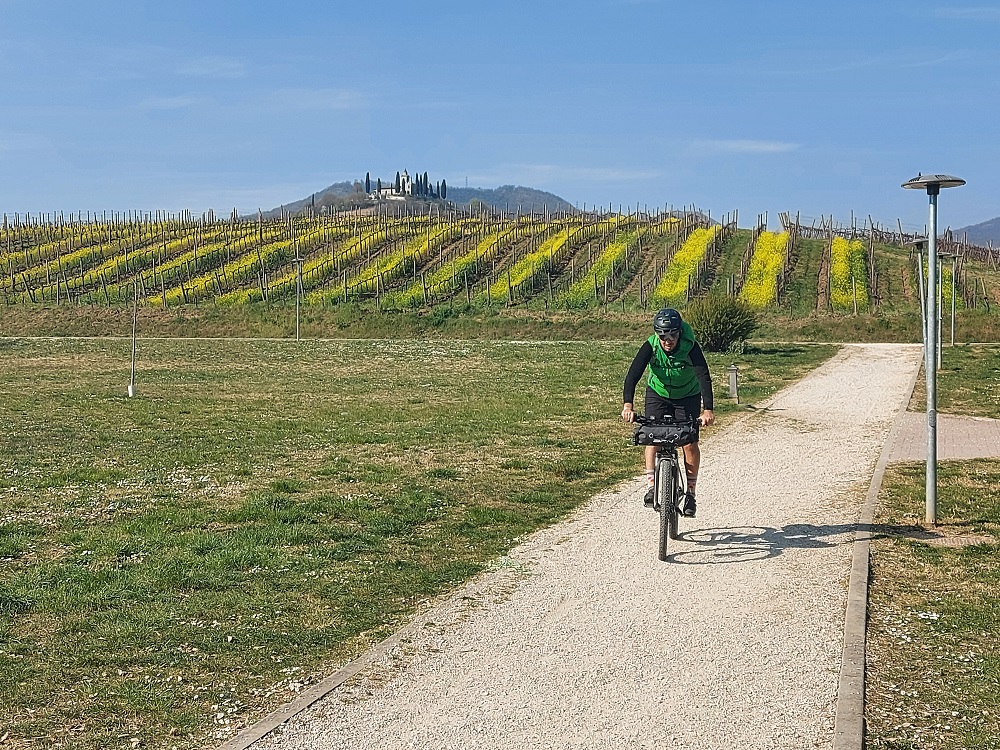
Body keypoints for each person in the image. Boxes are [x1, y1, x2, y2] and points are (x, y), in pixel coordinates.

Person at [621, 307, 715, 517]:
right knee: (652, 436)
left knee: (689, 442)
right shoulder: (651, 346)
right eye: (662, 335)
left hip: (687, 395)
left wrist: (707, 409)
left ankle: (690, 493)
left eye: (672, 334)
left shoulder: (690, 347)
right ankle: (652, 486)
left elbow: (704, 377)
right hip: (658, 393)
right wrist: (628, 405)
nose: (667, 340)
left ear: (679, 332)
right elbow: (633, 374)